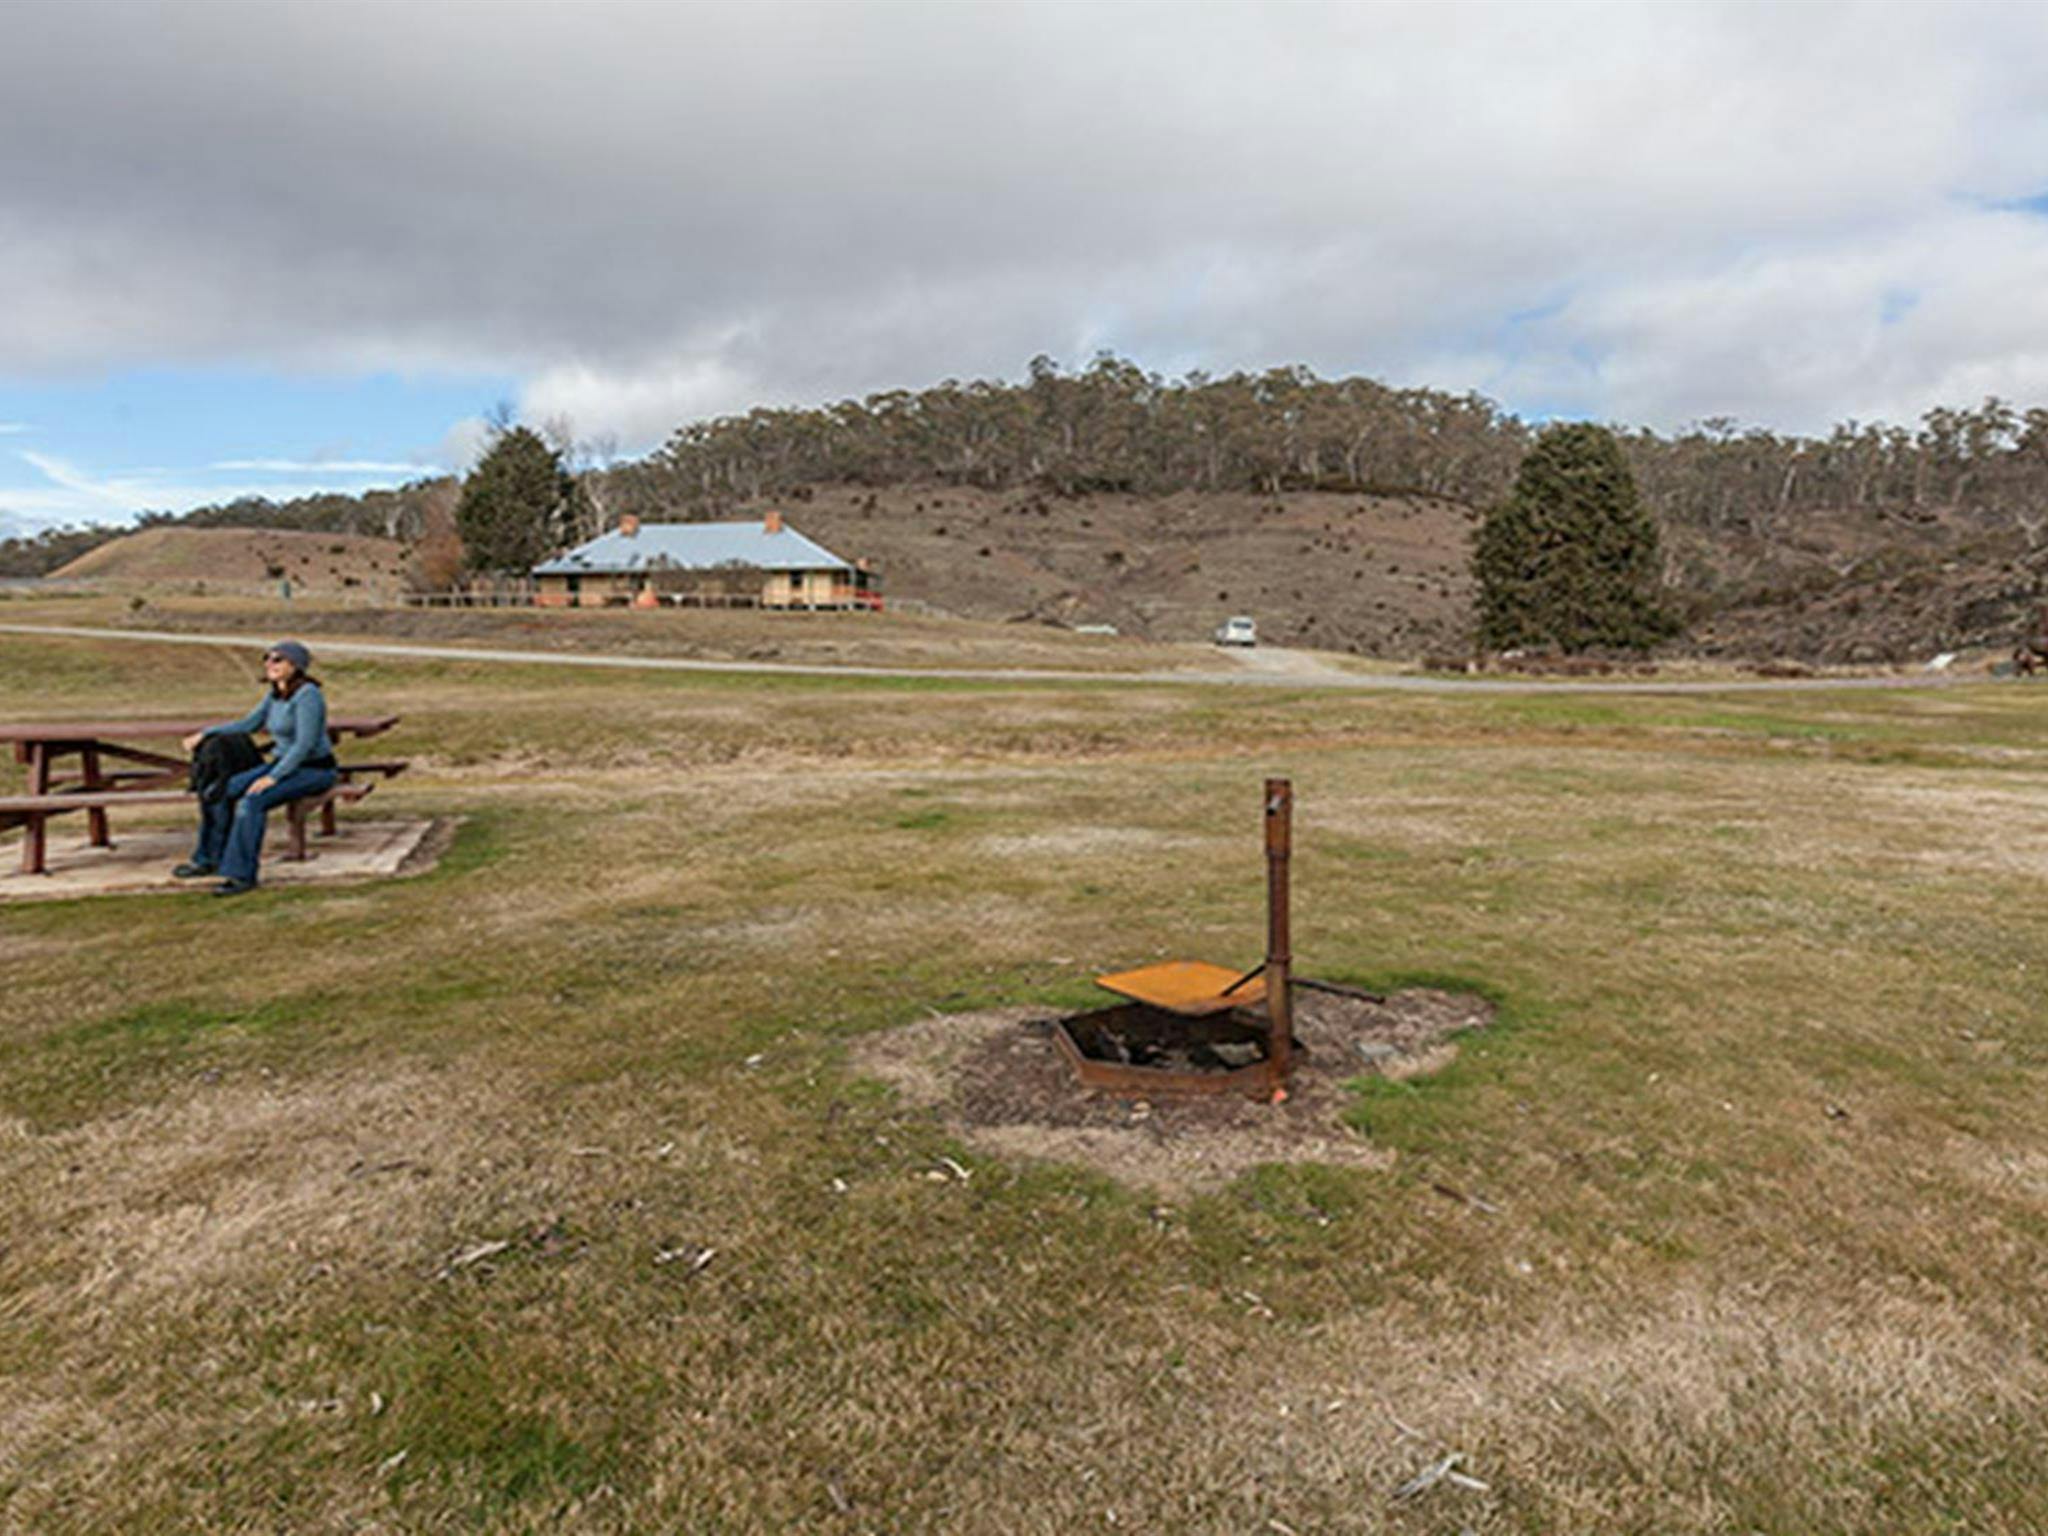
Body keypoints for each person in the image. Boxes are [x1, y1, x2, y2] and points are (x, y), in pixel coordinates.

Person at [173, 640, 338, 897]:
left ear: (295, 666)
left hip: (313, 771)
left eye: (277, 659)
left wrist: (273, 777)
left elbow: (303, 745)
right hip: (283, 766)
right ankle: (209, 858)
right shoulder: (275, 694)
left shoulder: (308, 696)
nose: (269, 664)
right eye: (267, 658)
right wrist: (206, 734)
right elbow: (249, 724)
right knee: (216, 791)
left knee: (251, 801)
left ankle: (241, 875)